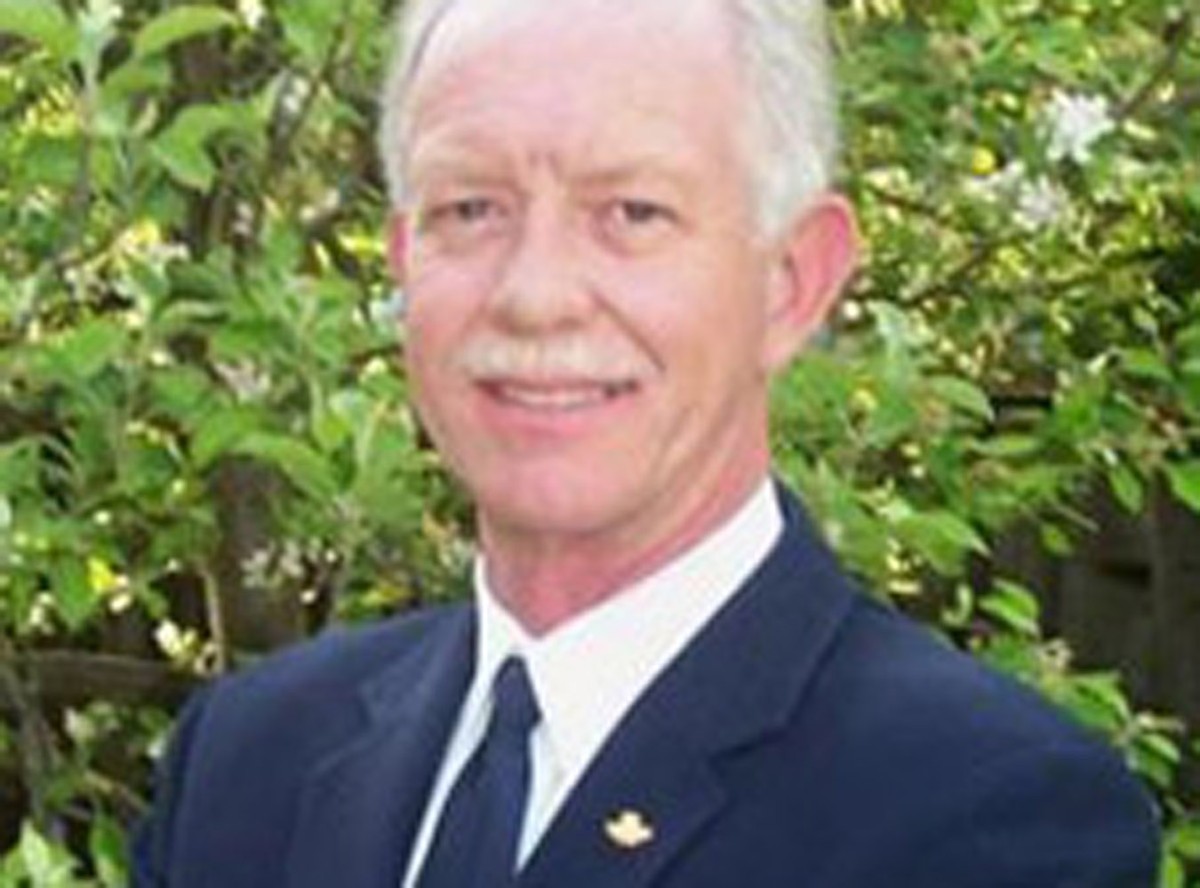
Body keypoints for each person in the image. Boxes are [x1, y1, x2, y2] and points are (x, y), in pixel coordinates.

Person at [131, 0, 1160, 885]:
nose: (535, 293)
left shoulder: (989, 817)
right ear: (403, 261)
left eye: (632, 211)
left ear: (792, 281)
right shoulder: (248, 764)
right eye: (472, 208)